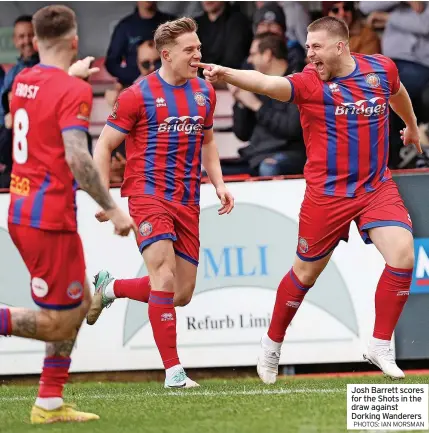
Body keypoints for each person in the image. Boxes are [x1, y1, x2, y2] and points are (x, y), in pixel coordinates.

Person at [195, 16, 420, 383]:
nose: (309, 54)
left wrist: (410, 126)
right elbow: (267, 83)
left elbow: (397, 93)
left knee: (403, 254)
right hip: (327, 195)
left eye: (315, 47)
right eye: (307, 47)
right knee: (305, 274)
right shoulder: (309, 83)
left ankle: (380, 345)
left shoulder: (381, 69)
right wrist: (228, 74)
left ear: (340, 47)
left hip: (375, 187)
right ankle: (271, 344)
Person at [0, 5, 136, 424]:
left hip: (26, 209)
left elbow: (42, 102)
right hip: (47, 218)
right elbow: (77, 157)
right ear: (75, 42)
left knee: (75, 308)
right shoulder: (72, 91)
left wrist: (69, 78)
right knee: (60, 323)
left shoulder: (22, 80)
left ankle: (50, 401)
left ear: (35, 42)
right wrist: (112, 208)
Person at [86, 17, 234, 388]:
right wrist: (105, 196)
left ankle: (111, 288)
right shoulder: (137, 94)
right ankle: (174, 372)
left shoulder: (205, 92)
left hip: (187, 200)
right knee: (163, 276)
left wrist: (219, 184)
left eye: (198, 48)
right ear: (166, 55)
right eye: (190, 50)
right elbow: (103, 145)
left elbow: (209, 142)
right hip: (147, 195)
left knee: (180, 293)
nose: (197, 54)